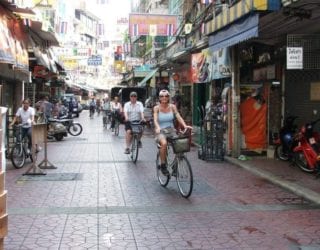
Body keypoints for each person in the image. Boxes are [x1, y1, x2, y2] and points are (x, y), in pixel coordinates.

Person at [153, 89, 193, 175]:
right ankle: (163, 165)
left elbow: (178, 116)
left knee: (180, 145)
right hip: (161, 131)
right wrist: (157, 127)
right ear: (159, 98)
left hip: (171, 130)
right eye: (162, 96)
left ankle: (175, 167)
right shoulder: (156, 108)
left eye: (166, 96)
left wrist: (185, 125)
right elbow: (155, 119)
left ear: (169, 97)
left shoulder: (172, 107)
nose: (164, 98)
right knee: (164, 143)